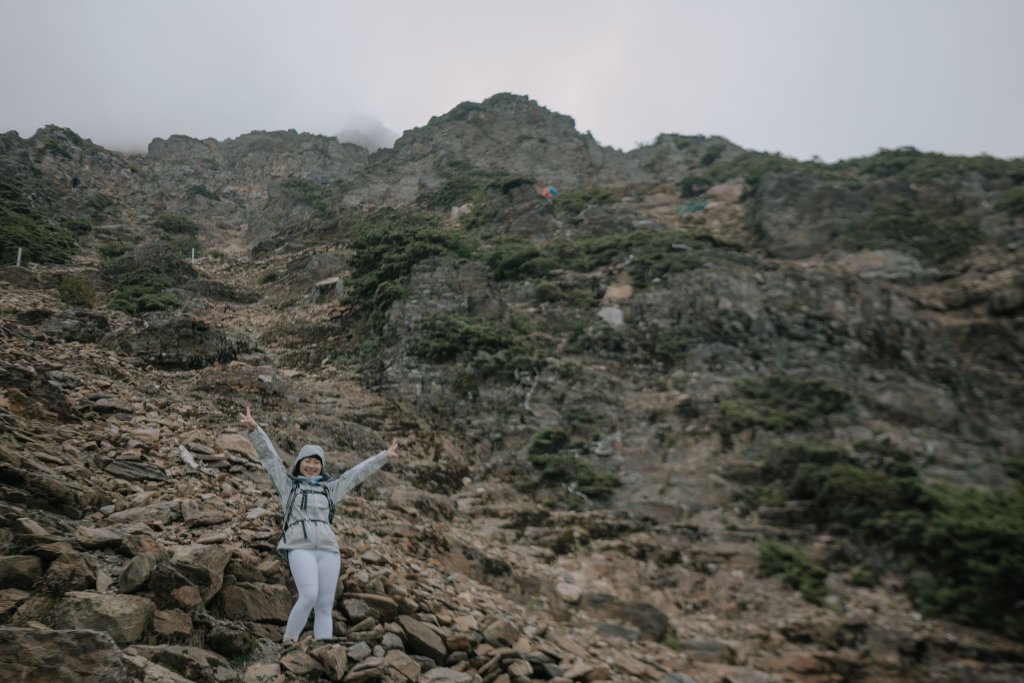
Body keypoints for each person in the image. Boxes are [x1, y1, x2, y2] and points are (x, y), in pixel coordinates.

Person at [238, 406, 399, 643]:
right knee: (309, 595)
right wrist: (256, 431)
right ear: (299, 464)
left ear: (321, 466)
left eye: (316, 462)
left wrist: (383, 456)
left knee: (324, 604)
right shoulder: (289, 486)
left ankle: (324, 649)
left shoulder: (330, 489)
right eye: (307, 462)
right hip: (299, 545)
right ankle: (289, 641)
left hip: (328, 549)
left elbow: (355, 474)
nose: (312, 466)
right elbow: (271, 460)